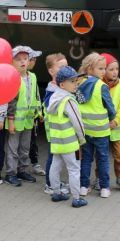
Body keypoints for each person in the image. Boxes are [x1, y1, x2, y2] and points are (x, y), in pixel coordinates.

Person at [47, 66, 87, 208]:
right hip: (70, 143)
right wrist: (82, 138)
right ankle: (76, 198)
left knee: (55, 167)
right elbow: (78, 122)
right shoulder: (69, 101)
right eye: (72, 81)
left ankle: (56, 193)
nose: (76, 84)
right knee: (74, 169)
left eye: (76, 81)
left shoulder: (54, 99)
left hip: (57, 141)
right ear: (62, 85)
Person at [77, 52, 115, 198]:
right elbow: (110, 107)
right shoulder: (101, 86)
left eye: (104, 68)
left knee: (86, 159)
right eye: (100, 68)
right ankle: (104, 188)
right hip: (101, 130)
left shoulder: (79, 84)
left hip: (85, 130)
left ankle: (83, 186)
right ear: (90, 69)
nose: (104, 71)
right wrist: (111, 118)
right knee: (103, 159)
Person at [3, 46, 39, 187]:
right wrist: (10, 121)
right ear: (12, 62)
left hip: (28, 120)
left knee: (24, 147)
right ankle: (10, 173)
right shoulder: (13, 78)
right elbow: (11, 102)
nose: (22, 62)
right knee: (13, 148)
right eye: (18, 59)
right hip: (16, 121)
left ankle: (22, 170)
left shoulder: (33, 77)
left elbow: (35, 97)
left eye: (25, 58)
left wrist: (37, 114)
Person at [101, 53, 120, 193]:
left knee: (119, 155)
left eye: (116, 69)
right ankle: (99, 178)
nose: (115, 72)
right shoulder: (99, 85)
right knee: (100, 155)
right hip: (102, 126)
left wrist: (115, 121)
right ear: (103, 70)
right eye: (111, 69)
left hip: (117, 128)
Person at [42, 53, 70, 194]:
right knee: (52, 158)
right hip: (53, 131)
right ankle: (50, 184)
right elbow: (51, 108)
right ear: (51, 71)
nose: (65, 69)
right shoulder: (52, 89)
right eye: (61, 67)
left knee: (56, 158)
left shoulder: (60, 87)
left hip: (59, 131)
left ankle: (55, 181)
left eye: (66, 66)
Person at [24, 47, 45, 177]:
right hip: (20, 118)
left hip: (33, 116)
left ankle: (34, 163)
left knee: (32, 141)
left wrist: (39, 112)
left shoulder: (33, 77)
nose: (35, 61)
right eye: (32, 59)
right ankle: (19, 166)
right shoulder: (16, 77)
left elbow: (36, 96)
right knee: (21, 144)